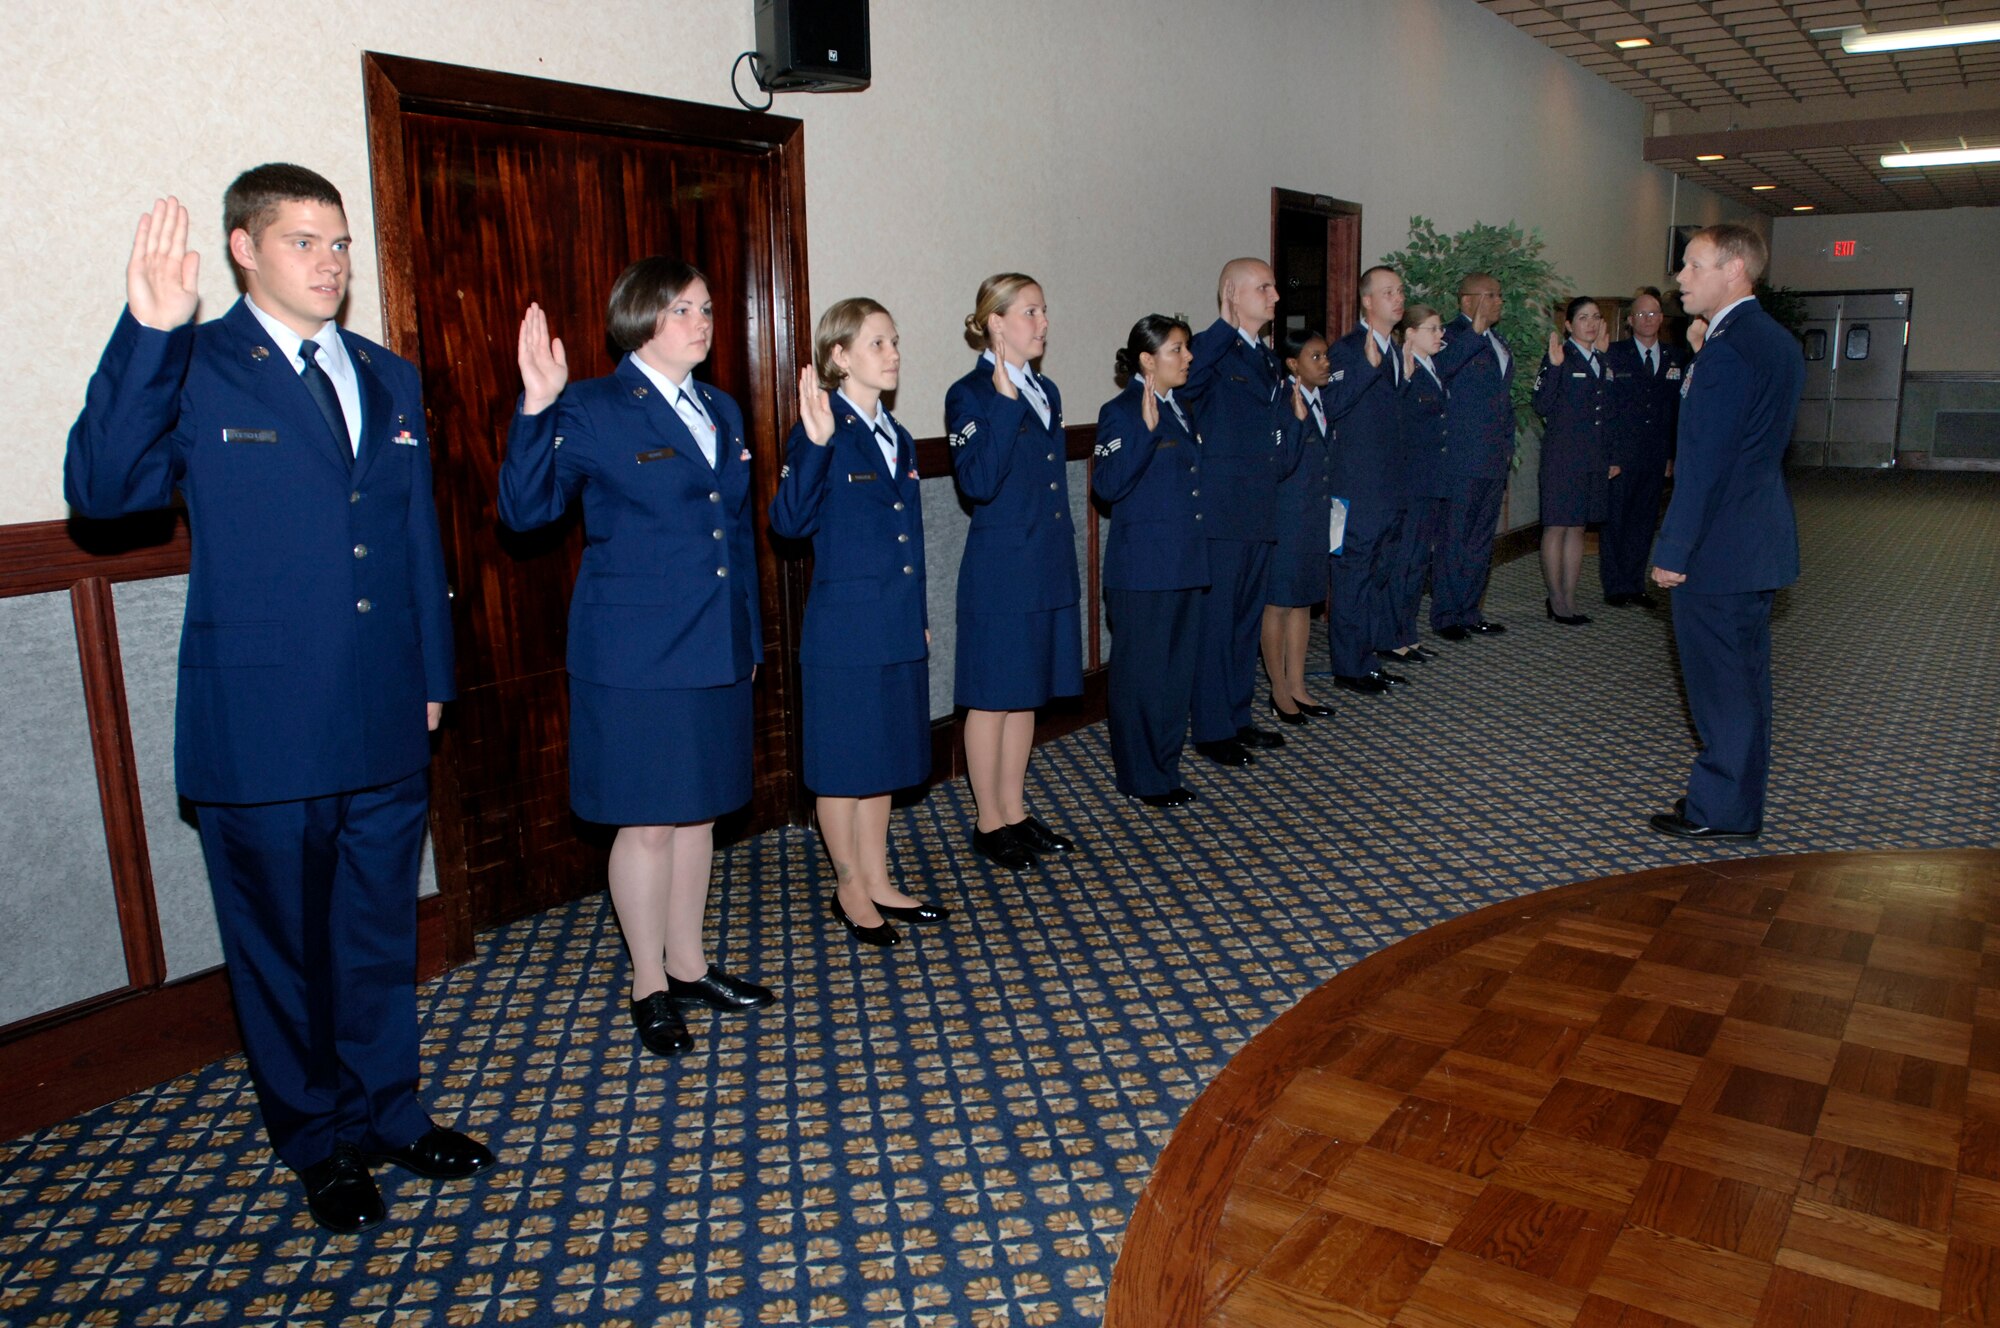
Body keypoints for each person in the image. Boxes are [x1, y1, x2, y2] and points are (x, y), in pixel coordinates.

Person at [64, 167, 491, 1234]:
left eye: (340, 243)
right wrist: (148, 331)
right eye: (304, 242)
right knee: (283, 953)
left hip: (386, 711)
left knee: (375, 937)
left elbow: (411, 540)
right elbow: (104, 493)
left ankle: (390, 1111)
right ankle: (320, 1142)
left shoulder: (387, 375)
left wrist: (434, 675)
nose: (331, 262)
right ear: (244, 249)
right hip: (261, 726)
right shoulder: (198, 365)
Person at [500, 259, 776, 1064]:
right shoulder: (590, 405)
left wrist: (748, 641)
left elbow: (735, 540)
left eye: (708, 305)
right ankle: (647, 982)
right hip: (635, 654)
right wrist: (537, 406)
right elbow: (524, 511)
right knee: (647, 821)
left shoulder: (721, 408)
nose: (703, 320)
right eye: (683, 308)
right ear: (640, 320)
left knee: (700, 813)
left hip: (714, 643)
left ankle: (689, 963)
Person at [769, 298, 944, 945]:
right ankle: (847, 887)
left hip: (894, 623)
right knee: (844, 768)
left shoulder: (893, 434)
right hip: (845, 630)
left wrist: (919, 616)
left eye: (895, 341)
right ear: (838, 357)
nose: (894, 353)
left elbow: (911, 537)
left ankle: (876, 877)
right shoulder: (822, 429)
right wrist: (813, 446)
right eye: (878, 343)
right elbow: (787, 524)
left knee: (882, 764)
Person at [1649, 225, 1804, 839]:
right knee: (1744, 682)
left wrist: (1672, 549)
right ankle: (1735, 803)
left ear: (1734, 268)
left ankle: (1720, 812)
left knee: (1720, 689)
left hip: (1717, 547)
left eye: (1692, 265)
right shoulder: (1772, 341)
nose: (1680, 278)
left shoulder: (1728, 351)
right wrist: (1704, 345)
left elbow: (1704, 462)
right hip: (1756, 537)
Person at [945, 273, 1082, 869]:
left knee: (1024, 696)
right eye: (1030, 312)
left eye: (1044, 311)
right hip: (1001, 569)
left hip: (1046, 560)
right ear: (995, 322)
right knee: (991, 699)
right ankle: (986, 821)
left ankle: (1014, 809)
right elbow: (977, 483)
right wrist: (1004, 401)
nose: (1042, 323)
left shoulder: (1046, 388)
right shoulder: (969, 395)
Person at [1181, 259, 1306, 766]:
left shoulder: (1268, 360)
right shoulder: (1211, 351)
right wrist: (1223, 328)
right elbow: (1185, 387)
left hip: (1259, 509)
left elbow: (1274, 431)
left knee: (1244, 623)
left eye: (1275, 286)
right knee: (1216, 625)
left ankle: (1238, 715)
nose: (1275, 296)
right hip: (1221, 512)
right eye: (1264, 287)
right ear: (1232, 294)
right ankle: (1212, 728)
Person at [1092, 316, 1210, 808]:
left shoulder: (1178, 406)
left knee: (1175, 676)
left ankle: (1164, 768)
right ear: (1147, 359)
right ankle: (1141, 775)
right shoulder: (1120, 412)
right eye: (1177, 350)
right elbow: (1107, 486)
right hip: (1142, 571)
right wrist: (1143, 433)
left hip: (1183, 564)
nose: (1187, 358)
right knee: (1141, 678)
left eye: (1186, 349)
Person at [1323, 266, 1408, 695]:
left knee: (1379, 575)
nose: (1398, 298)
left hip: (1389, 487)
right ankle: (1349, 667)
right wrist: (1364, 369)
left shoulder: (1395, 348)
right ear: (1368, 302)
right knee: (1352, 577)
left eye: (1401, 291)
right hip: (1356, 487)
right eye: (1388, 292)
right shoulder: (1348, 350)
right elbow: (1330, 404)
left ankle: (1368, 658)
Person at [1430, 272, 1513, 641]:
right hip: (1461, 460)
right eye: (1490, 295)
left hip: (1494, 458)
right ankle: (1447, 614)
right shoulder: (1447, 336)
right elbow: (1440, 372)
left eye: (1499, 295)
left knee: (1481, 539)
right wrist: (1474, 333)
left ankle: (1470, 608)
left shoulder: (1499, 340)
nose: (1498, 301)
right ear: (1466, 300)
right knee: (1454, 538)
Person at [1263, 329, 1336, 722]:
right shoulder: (1281, 402)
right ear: (1293, 364)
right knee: (1278, 603)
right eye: (1316, 357)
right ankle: (1278, 689)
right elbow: (1278, 460)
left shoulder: (1318, 398)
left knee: (1303, 601)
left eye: (1325, 356)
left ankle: (1298, 684)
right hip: (1286, 516)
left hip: (1313, 513)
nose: (1325, 364)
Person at [1531, 296, 1618, 625]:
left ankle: (1570, 597)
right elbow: (1540, 404)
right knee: (1557, 526)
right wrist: (1553, 369)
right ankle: (1555, 599)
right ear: (1568, 325)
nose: (1591, 323)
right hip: (1562, 457)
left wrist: (1612, 457)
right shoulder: (1559, 357)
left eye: (1596, 317)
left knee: (1578, 527)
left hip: (1592, 459)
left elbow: (1610, 414)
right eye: (1583, 318)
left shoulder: (1603, 360)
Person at [1601, 289, 1684, 608]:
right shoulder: (1614, 354)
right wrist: (1609, 454)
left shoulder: (1676, 356)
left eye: (1653, 314)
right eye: (1641, 315)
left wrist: (1671, 454)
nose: (1647, 320)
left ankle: (1635, 584)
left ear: (1661, 319)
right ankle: (1615, 586)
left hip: (1655, 455)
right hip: (1622, 455)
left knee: (1644, 522)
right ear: (1630, 321)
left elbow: (1676, 411)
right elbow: (1606, 409)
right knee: (1616, 521)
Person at [1389, 305, 1451, 663]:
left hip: (1430, 478)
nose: (1439, 335)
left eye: (1440, 328)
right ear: (1409, 333)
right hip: (1411, 480)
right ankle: (1394, 635)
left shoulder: (1433, 367)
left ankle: (1408, 633)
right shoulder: (1403, 370)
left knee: (1418, 561)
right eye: (1432, 329)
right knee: (1405, 560)